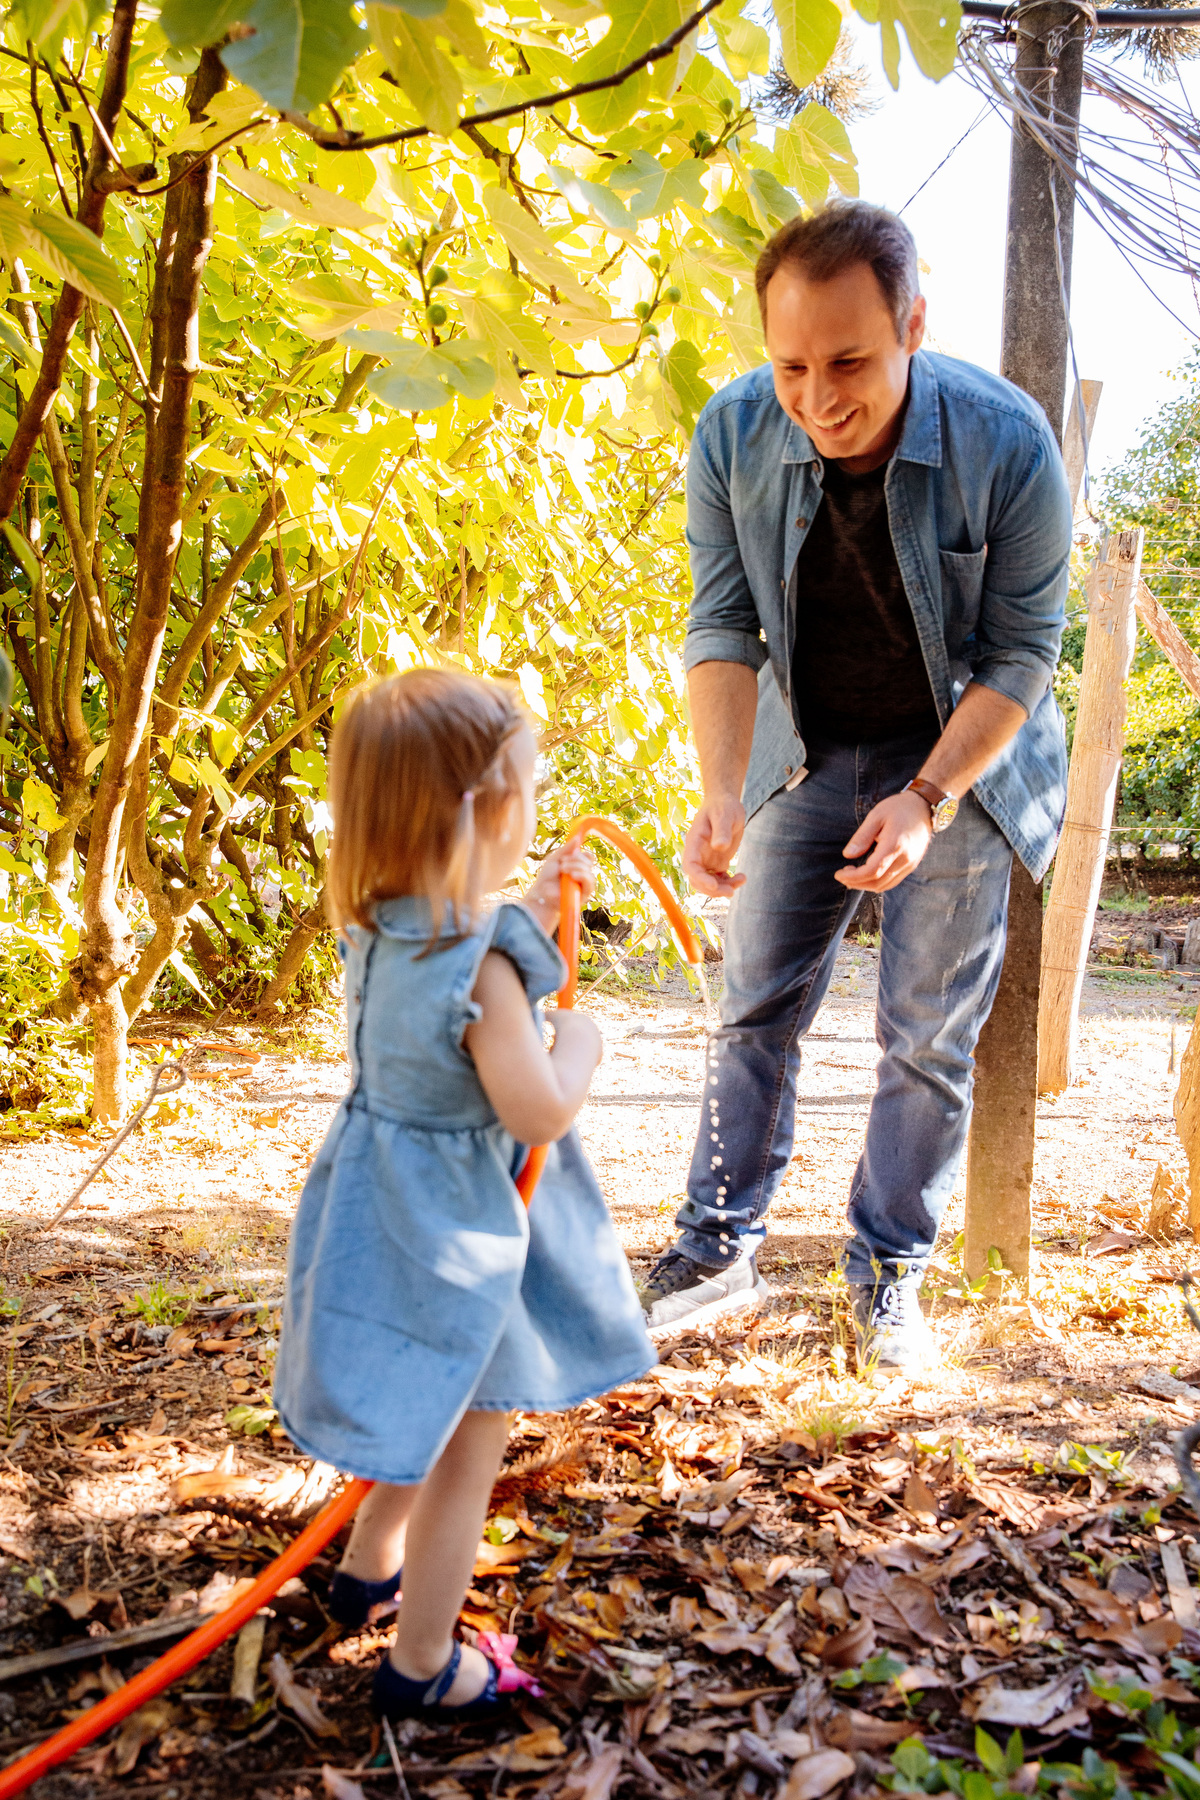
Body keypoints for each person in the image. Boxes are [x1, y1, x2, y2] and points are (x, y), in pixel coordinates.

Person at [638, 200, 1071, 1368]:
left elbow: (1025, 654)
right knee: (752, 1009)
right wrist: (723, 790)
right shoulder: (732, 434)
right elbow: (723, 620)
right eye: (790, 366)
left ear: (913, 325)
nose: (820, 398)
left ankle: (887, 1275)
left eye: (850, 363)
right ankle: (714, 1247)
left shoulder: (1009, 440)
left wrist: (927, 800)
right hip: (807, 752)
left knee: (926, 1037)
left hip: (961, 762)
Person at [274, 668, 653, 1721]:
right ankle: (425, 1659)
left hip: (385, 1211)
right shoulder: (480, 963)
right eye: (524, 792)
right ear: (482, 811)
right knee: (474, 1427)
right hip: (467, 1230)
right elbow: (535, 1110)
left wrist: (532, 907)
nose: (533, 810)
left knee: (425, 1392)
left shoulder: (383, 928)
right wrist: (580, 1040)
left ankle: (366, 1568)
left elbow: (456, 990)